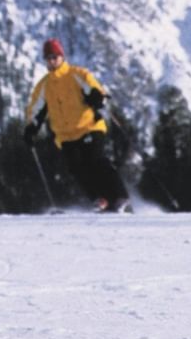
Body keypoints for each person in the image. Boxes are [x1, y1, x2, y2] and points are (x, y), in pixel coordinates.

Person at [24, 38, 131, 213]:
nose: (51, 62)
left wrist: (97, 97)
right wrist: (31, 128)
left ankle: (119, 196)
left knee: (96, 159)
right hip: (66, 135)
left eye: (54, 57)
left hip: (89, 127)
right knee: (76, 168)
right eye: (47, 58)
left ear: (61, 57)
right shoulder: (44, 86)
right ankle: (100, 199)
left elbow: (95, 89)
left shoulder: (76, 74)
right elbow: (35, 110)